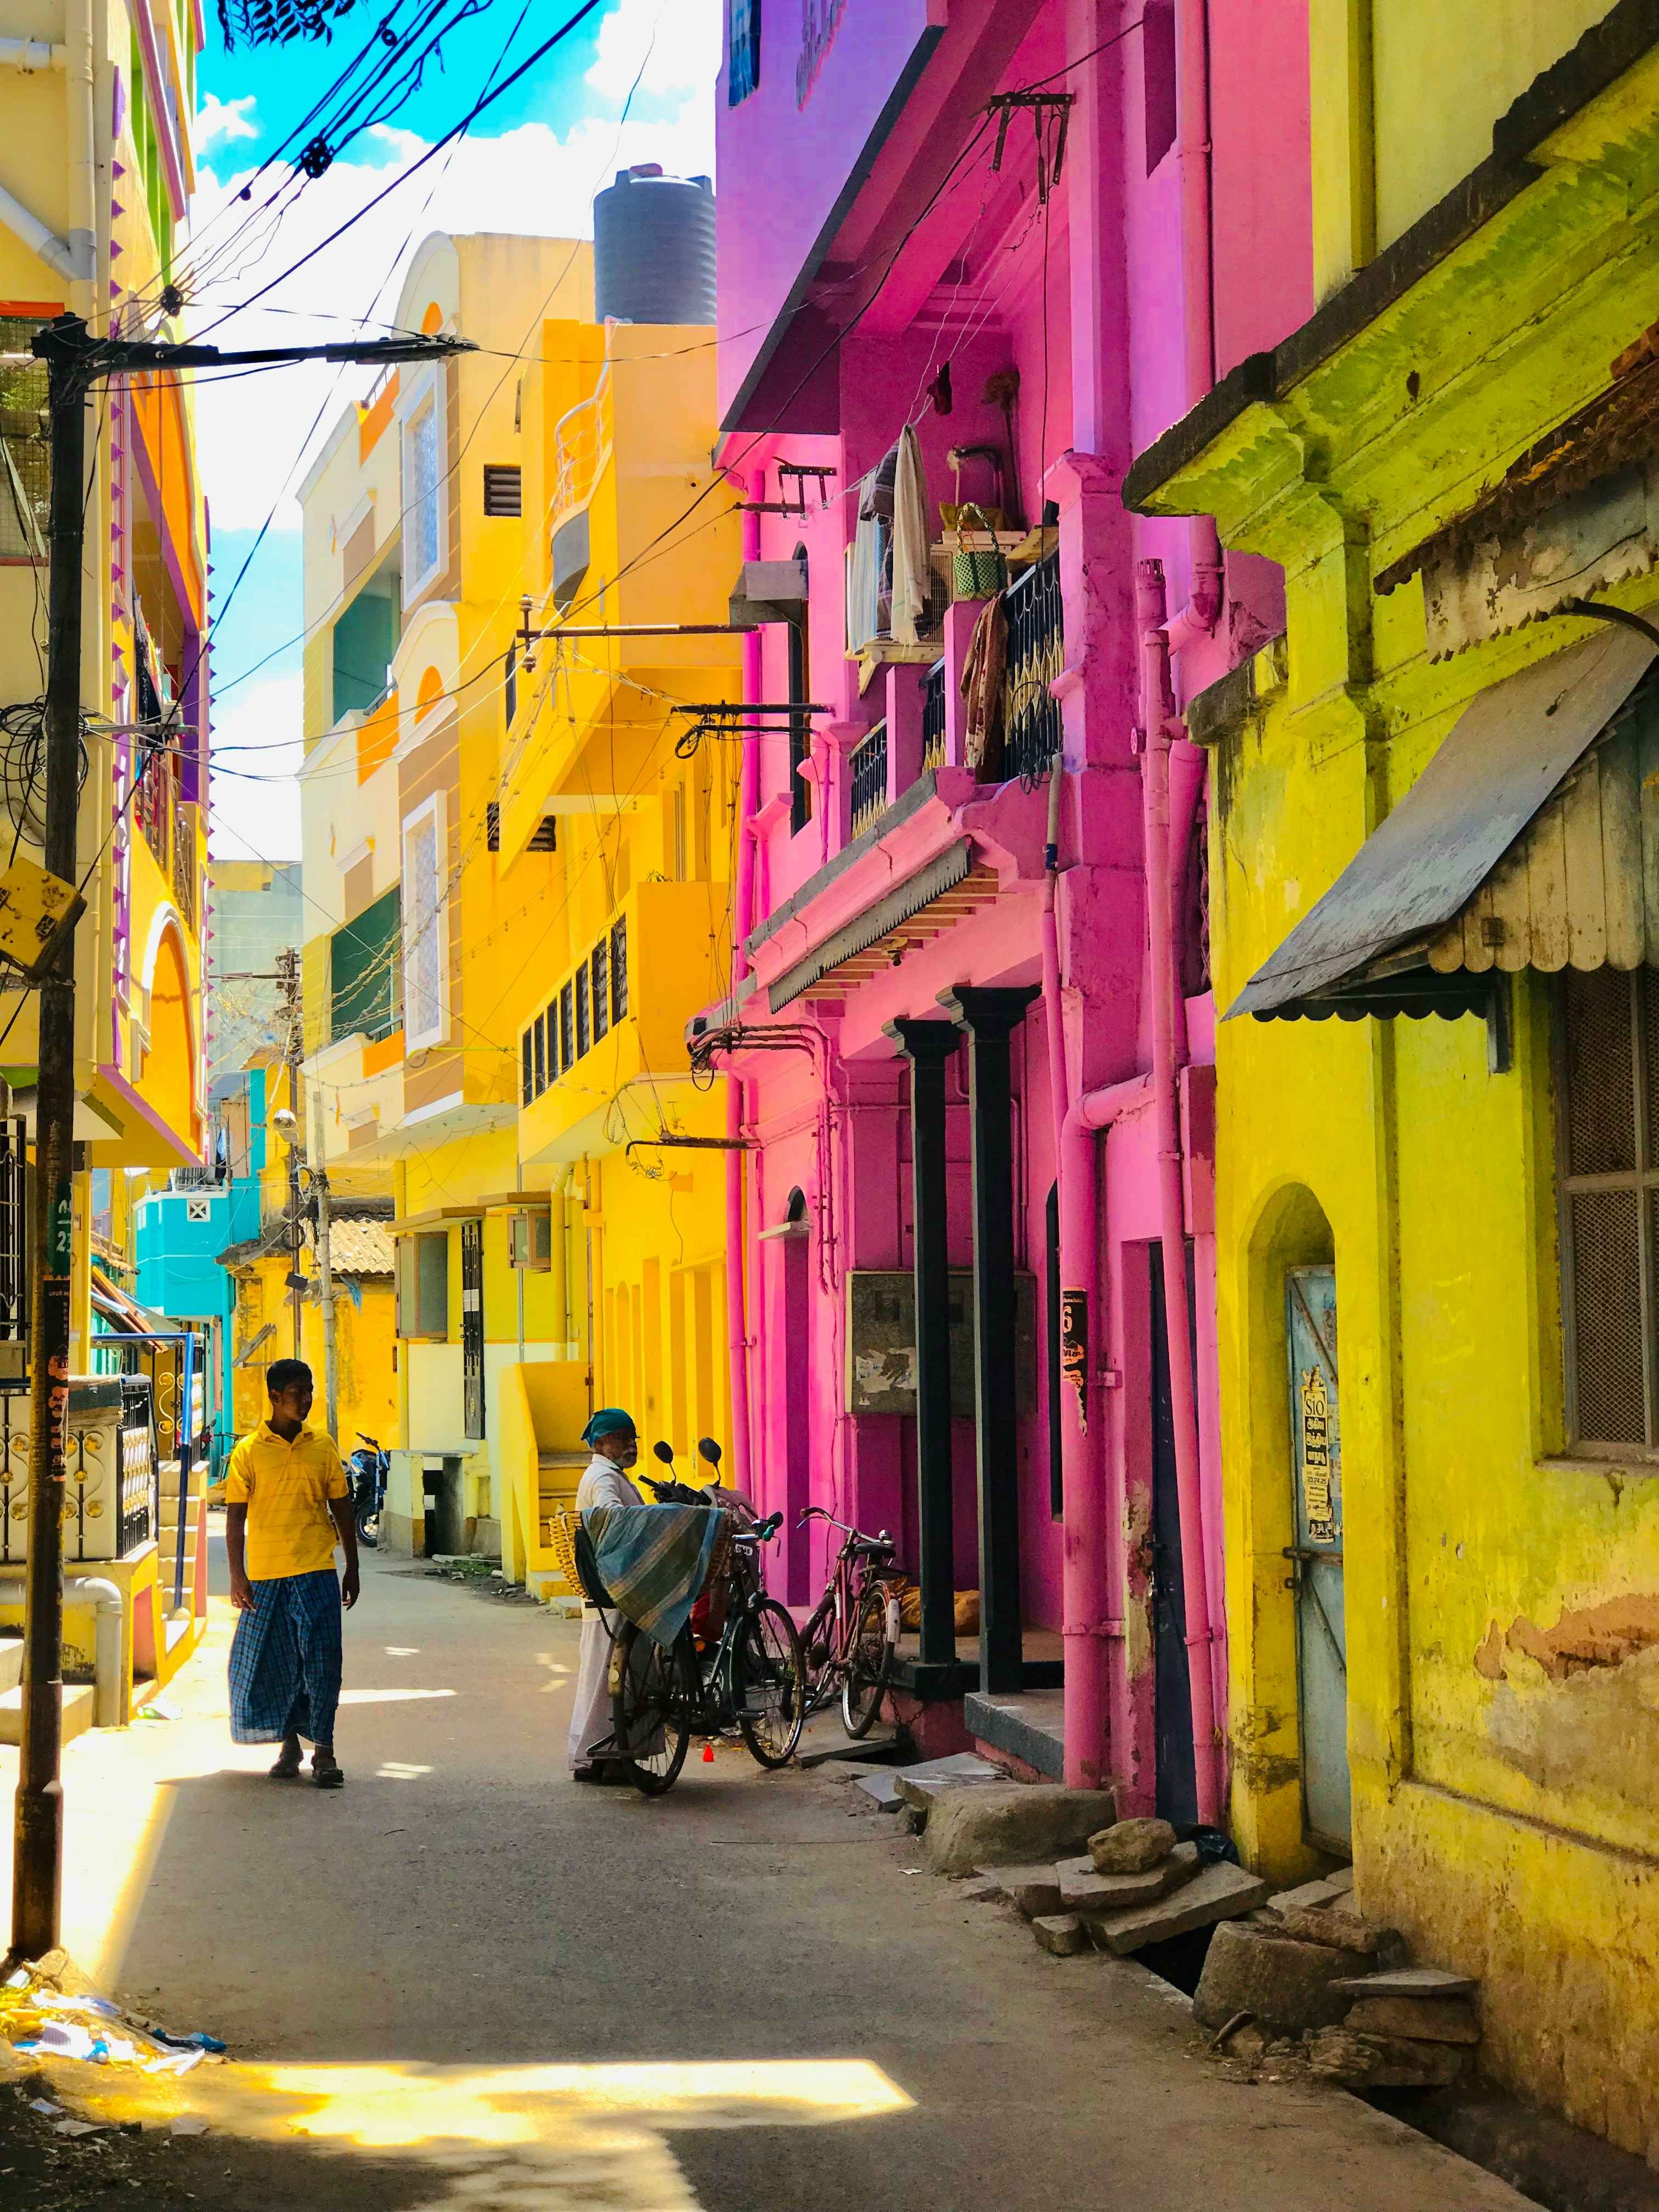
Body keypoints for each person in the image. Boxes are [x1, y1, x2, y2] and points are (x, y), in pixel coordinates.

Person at [224, 1358, 360, 1788]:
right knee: (277, 1665)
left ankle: (325, 1752)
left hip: (317, 1568)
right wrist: (237, 1576)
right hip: (265, 1577)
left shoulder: (323, 1445)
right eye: (298, 1393)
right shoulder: (247, 1452)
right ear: (275, 1398)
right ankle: (289, 1747)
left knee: (322, 1663)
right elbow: (234, 1518)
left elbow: (340, 1506)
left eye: (310, 1391)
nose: (306, 1400)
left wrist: (352, 1566)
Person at [567, 1407, 641, 1782]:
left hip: (609, 1593)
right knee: (615, 1677)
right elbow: (614, 1517)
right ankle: (613, 1756)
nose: (632, 1444)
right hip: (614, 1593)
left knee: (600, 1678)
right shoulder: (602, 1477)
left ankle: (596, 1756)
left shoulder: (609, 1475)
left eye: (634, 1437)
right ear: (600, 1443)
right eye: (623, 1437)